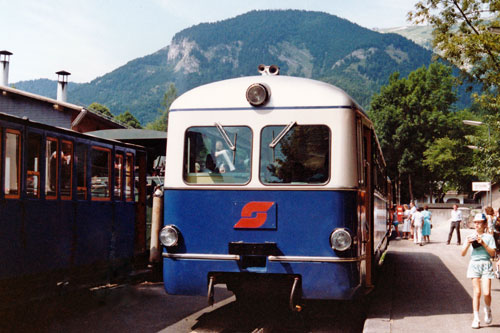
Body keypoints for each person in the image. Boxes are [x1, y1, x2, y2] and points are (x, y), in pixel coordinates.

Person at [461, 213, 496, 329]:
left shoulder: (489, 237)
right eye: (475, 222)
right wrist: (468, 244)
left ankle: (488, 309)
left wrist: (483, 243)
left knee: (486, 292)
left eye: (479, 222)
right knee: (477, 292)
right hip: (474, 264)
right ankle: (476, 318)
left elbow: (492, 253)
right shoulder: (470, 236)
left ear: (485, 224)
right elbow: (463, 253)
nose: (477, 224)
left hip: (486, 264)